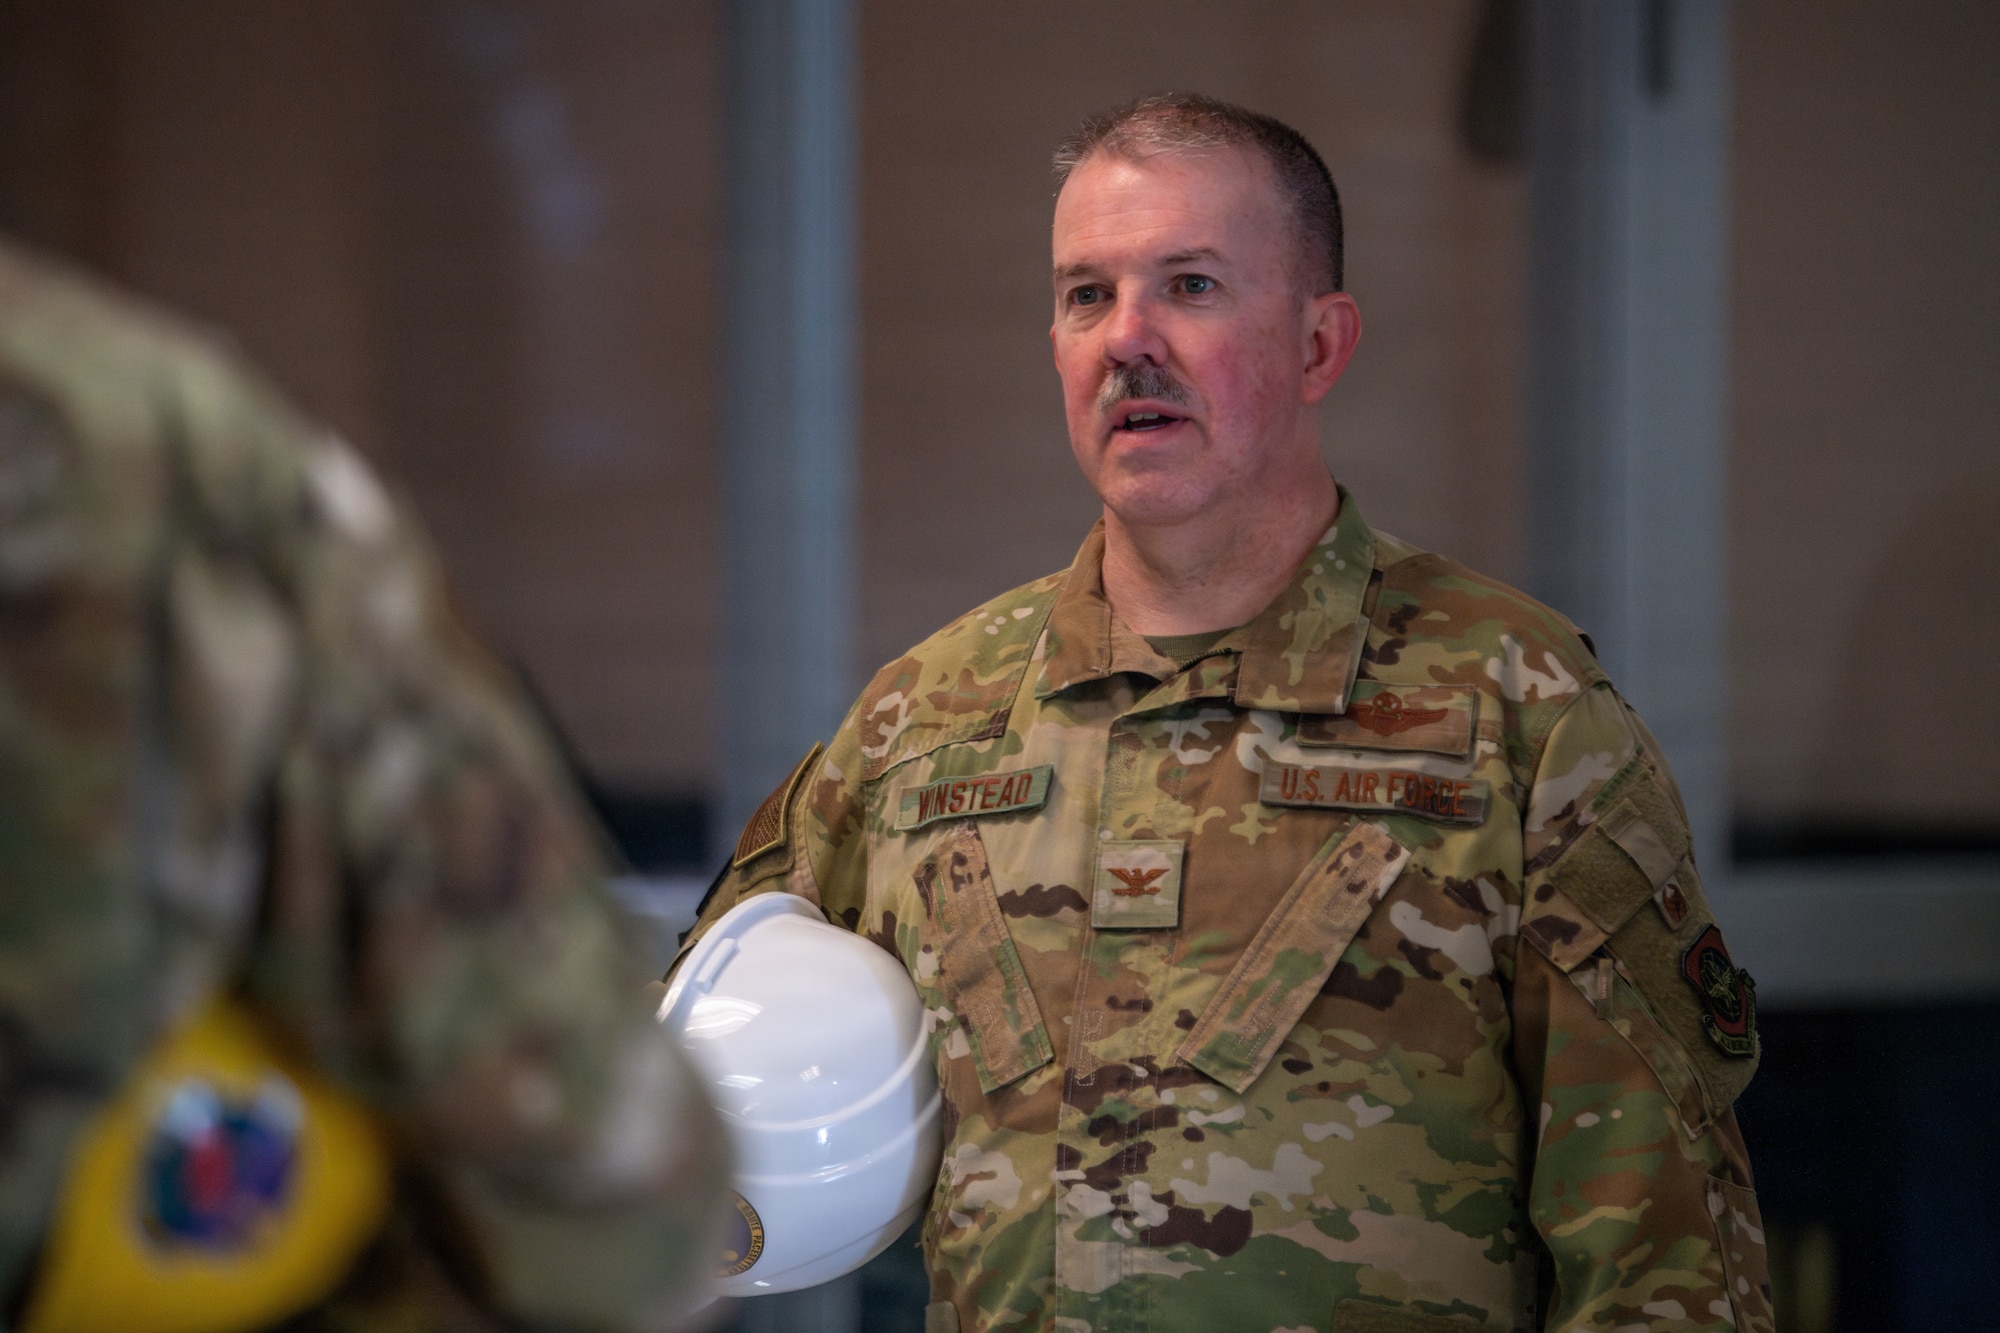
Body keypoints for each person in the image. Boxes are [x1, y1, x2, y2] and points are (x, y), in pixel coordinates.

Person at [676, 94, 1772, 1333]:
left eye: (1188, 286)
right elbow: (703, 1073)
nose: (1127, 340)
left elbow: (1661, 1261)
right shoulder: (923, 721)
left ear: (1318, 345)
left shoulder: (1514, 712)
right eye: (1086, 295)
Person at [0, 238, 727, 1332]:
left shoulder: (124, 460)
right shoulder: (116, 450)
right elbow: (606, 1188)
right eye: (1076, 295)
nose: (1096, 340)